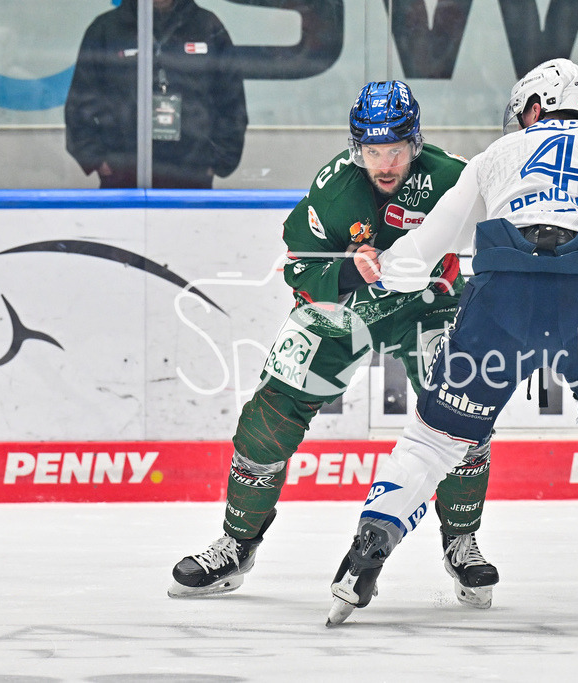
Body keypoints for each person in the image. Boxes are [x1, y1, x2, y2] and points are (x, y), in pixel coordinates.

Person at [326, 59, 578, 626]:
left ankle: (362, 561)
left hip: (501, 296)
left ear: (534, 107)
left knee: (432, 442)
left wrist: (375, 269)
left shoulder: (495, 157)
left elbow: (423, 252)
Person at [167, 80, 499, 609]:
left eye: (394, 149)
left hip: (428, 304)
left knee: (463, 411)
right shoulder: (335, 189)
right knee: (268, 419)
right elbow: (298, 266)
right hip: (344, 311)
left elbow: (498, 234)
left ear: (415, 143)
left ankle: (460, 540)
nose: (384, 163)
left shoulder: (452, 178)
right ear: (356, 147)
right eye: (372, 150)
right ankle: (235, 546)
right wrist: (347, 275)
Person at [64, 0, 247, 188]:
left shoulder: (207, 26)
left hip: (191, 177)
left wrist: (216, 162)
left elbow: (232, 101)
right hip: (123, 176)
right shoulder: (106, 29)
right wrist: (97, 161)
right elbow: (79, 104)